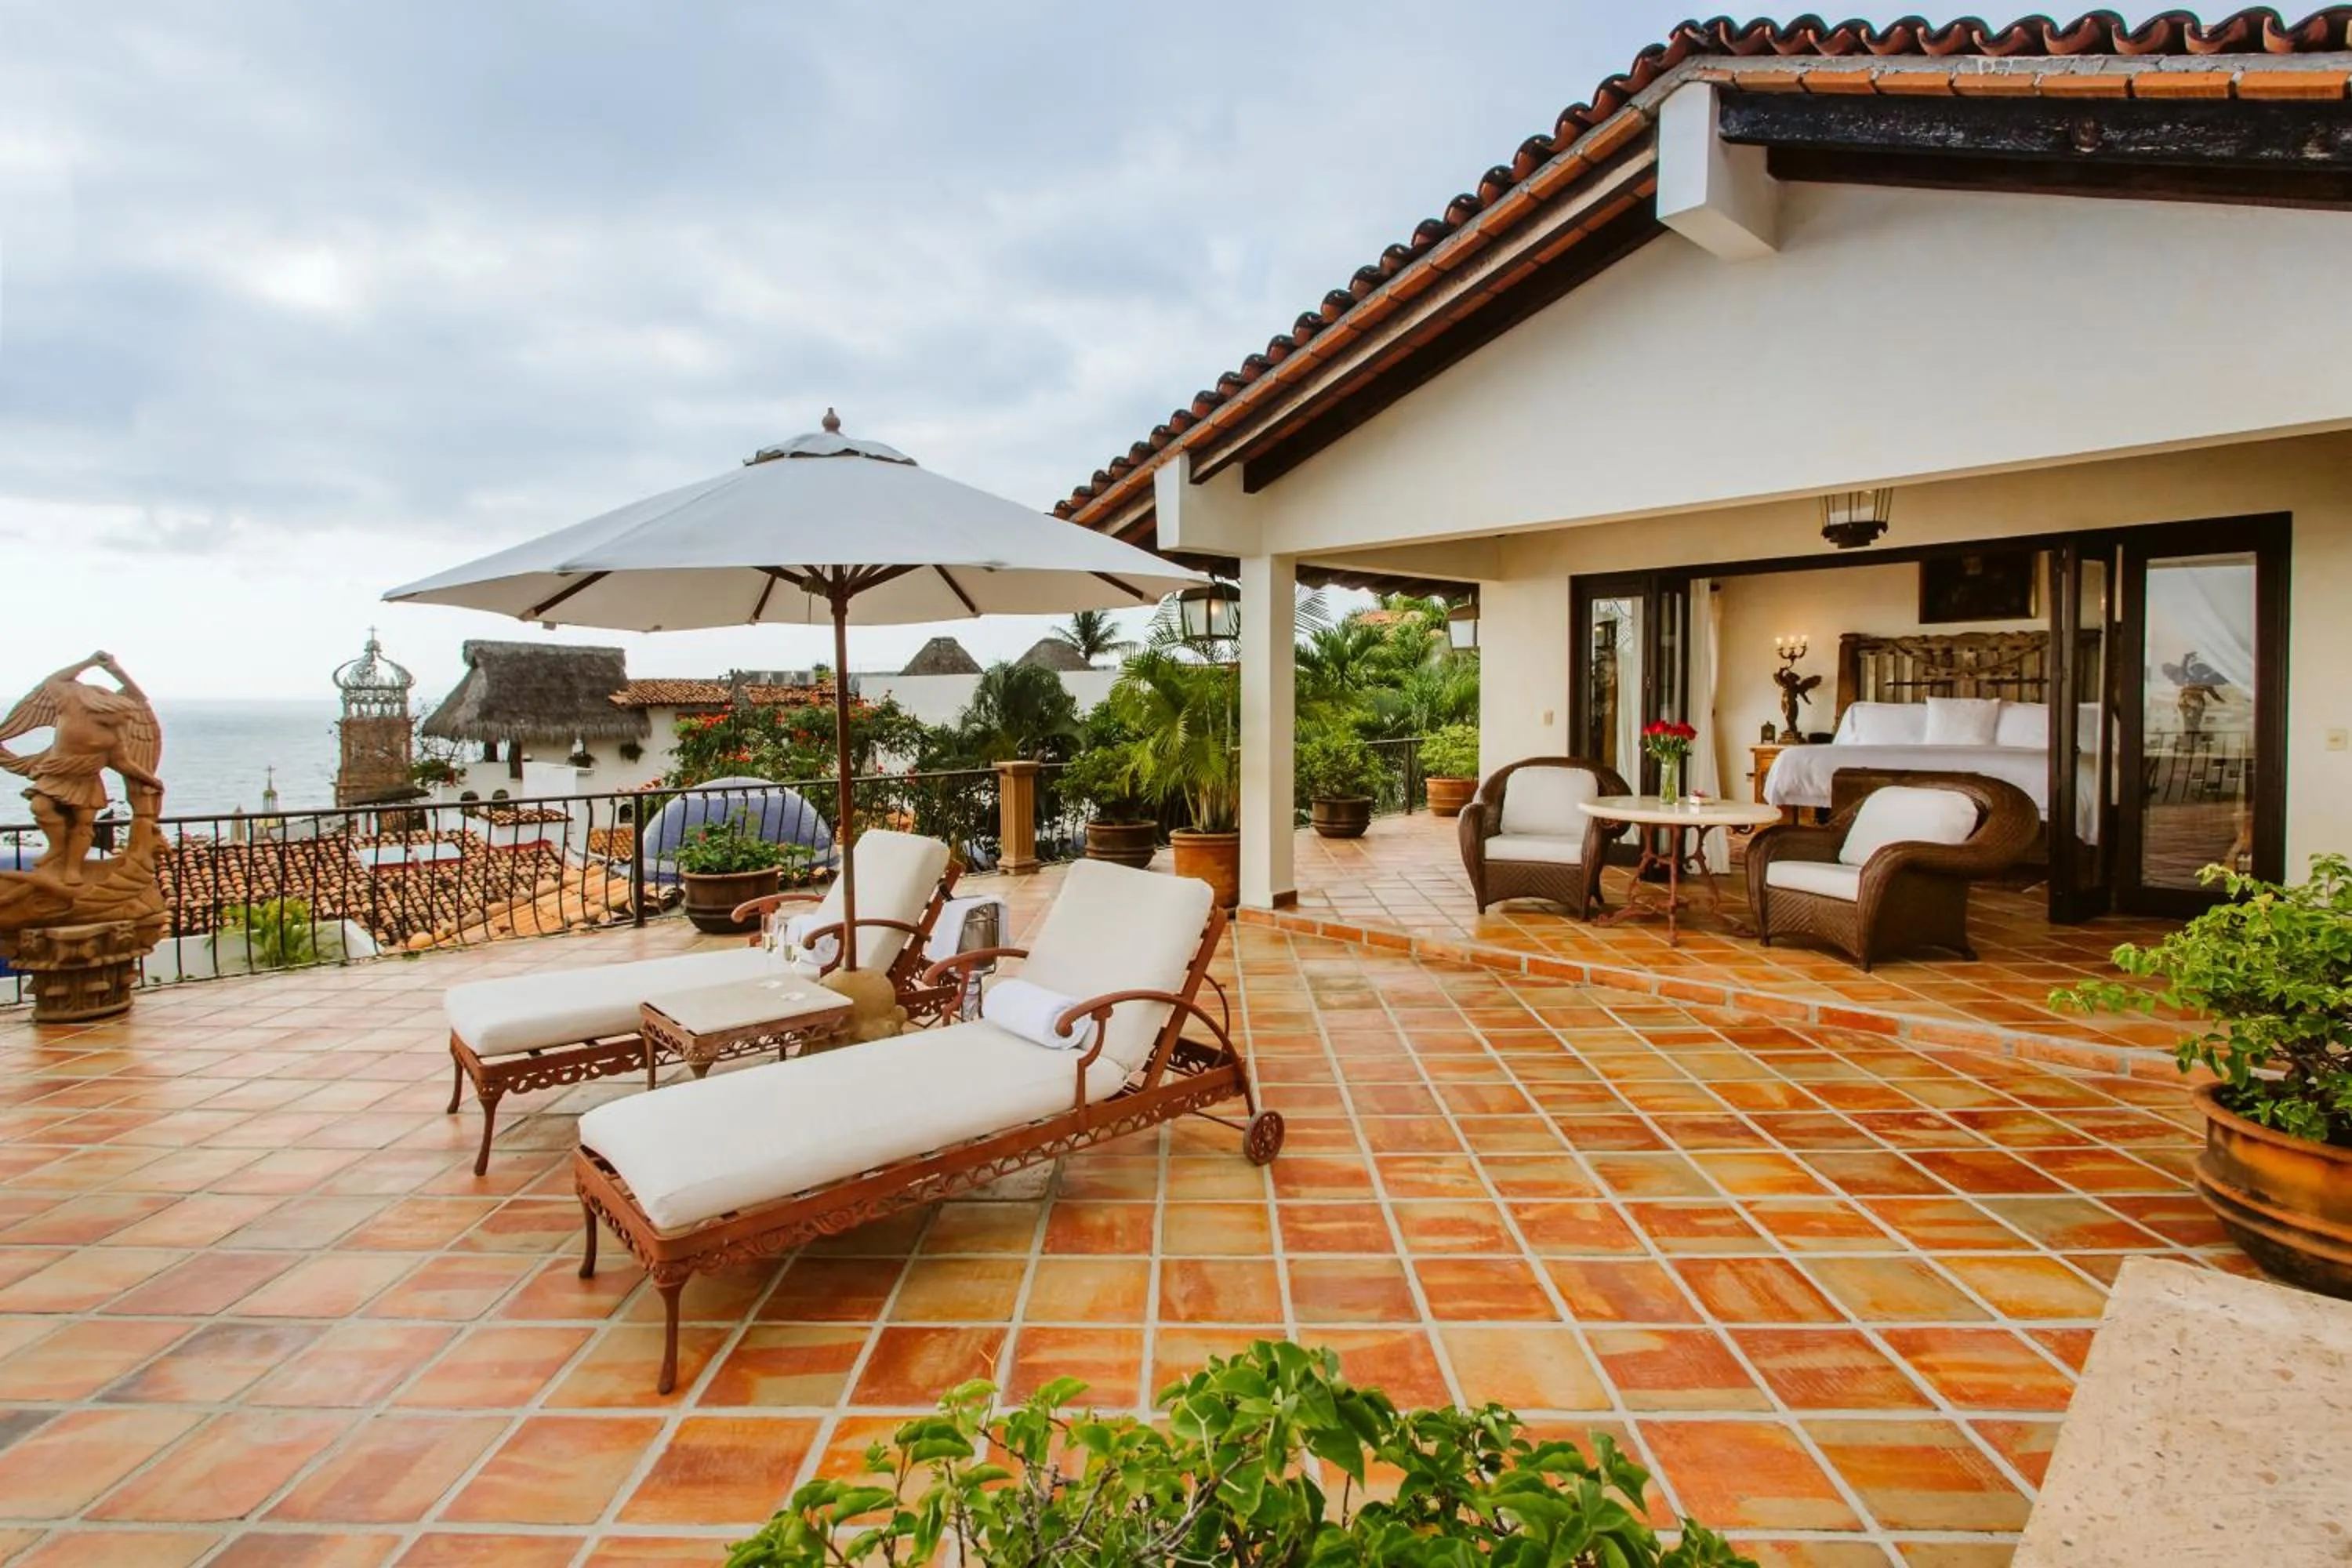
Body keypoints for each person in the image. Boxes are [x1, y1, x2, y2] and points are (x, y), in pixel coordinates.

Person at [0, 652, 164, 889]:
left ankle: (72, 869)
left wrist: (151, 780)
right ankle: (57, 849)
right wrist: (90, 663)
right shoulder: (72, 704)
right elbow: (55, 680)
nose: (126, 723)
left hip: (86, 779)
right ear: (107, 710)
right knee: (41, 807)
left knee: (84, 823)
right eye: (123, 717)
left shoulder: (113, 735)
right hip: (56, 773)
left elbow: (123, 763)